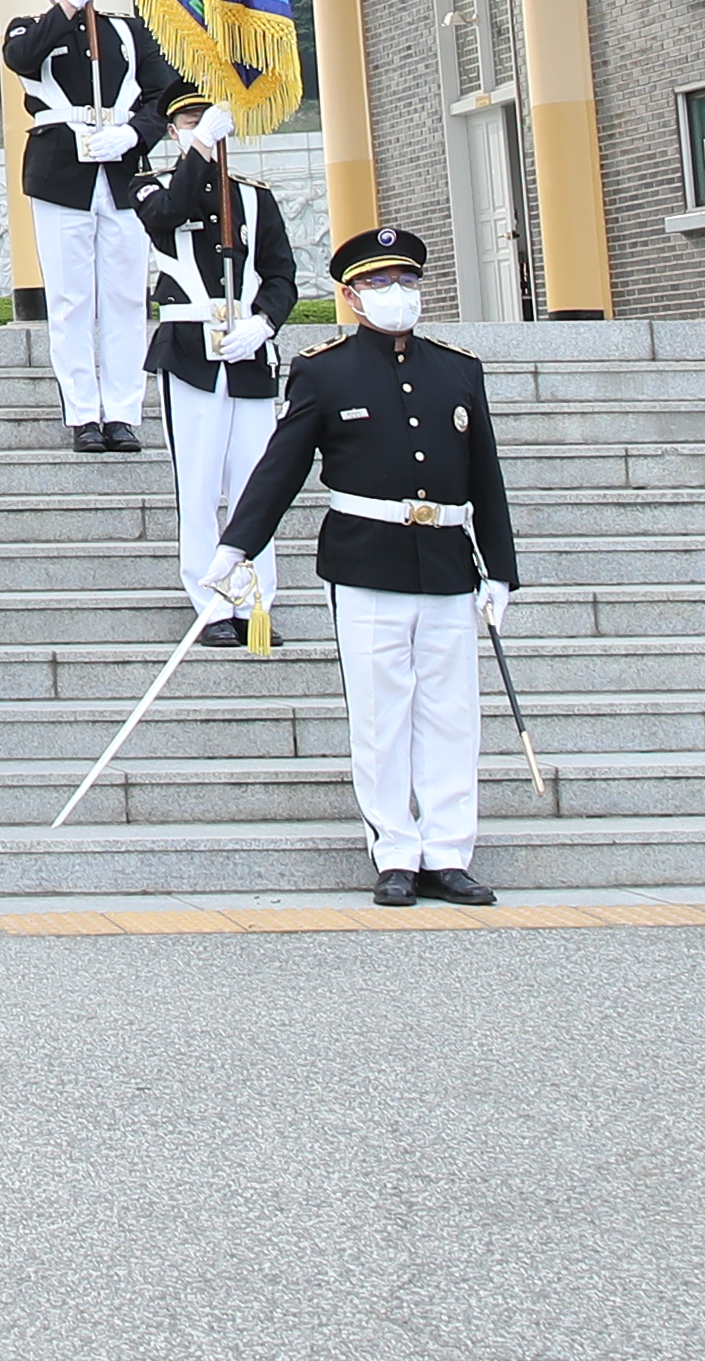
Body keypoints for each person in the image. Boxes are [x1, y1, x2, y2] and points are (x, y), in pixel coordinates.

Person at [218, 228, 519, 909]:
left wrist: (499, 569)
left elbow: (485, 476)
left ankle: (448, 851)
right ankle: (395, 851)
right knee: (383, 714)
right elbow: (281, 469)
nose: (398, 296)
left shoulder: (457, 369)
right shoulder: (325, 371)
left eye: (407, 282)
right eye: (382, 285)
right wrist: (235, 548)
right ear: (351, 297)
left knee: (451, 714)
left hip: (446, 559)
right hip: (366, 558)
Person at [135, 86, 299, 644]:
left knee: (257, 483)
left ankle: (255, 603)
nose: (199, 125)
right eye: (187, 119)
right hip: (191, 353)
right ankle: (209, 604)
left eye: (207, 117)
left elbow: (281, 274)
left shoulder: (254, 198)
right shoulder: (153, 186)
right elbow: (172, 212)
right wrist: (198, 149)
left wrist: (265, 323)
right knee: (200, 486)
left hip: (249, 354)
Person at [1, 0, 160, 452]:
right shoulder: (30, 29)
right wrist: (69, 6)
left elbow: (167, 96)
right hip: (61, 174)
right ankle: (83, 413)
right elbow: (25, 59)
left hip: (121, 171)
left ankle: (122, 411)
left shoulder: (129, 33)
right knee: (71, 299)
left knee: (124, 297)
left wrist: (134, 134)